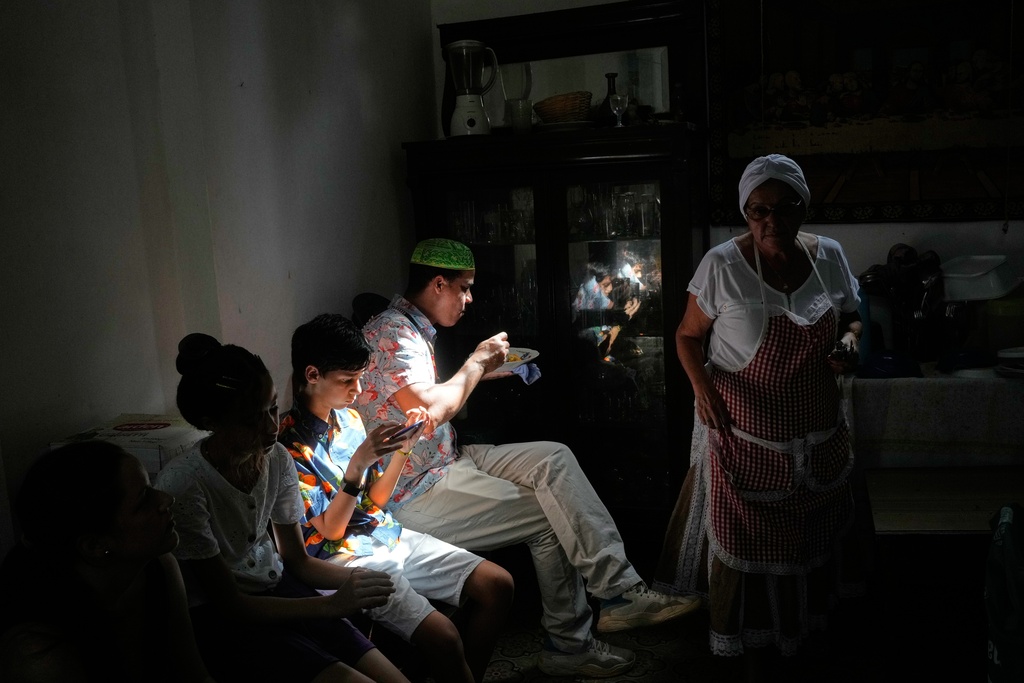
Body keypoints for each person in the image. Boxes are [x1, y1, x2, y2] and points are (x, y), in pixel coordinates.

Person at [355, 237, 700, 679]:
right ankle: (580, 634)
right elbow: (429, 414)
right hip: (413, 487)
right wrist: (477, 363)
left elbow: (430, 401)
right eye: (464, 288)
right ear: (438, 284)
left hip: (449, 457)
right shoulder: (391, 333)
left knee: (553, 459)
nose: (469, 298)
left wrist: (483, 373)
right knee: (552, 514)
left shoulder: (411, 327)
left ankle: (617, 593)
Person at [653, 154, 862, 678]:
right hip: (743, 436)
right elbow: (685, 336)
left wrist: (850, 342)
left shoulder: (829, 256)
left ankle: (805, 631)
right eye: (757, 211)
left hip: (815, 433)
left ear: (802, 206)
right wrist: (701, 389)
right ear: (745, 212)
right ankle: (747, 643)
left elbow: (855, 316)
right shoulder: (722, 265)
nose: (771, 222)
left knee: (812, 536)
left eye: (785, 208)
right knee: (743, 541)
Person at [155, 333, 408, 683]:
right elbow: (229, 603)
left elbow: (297, 560)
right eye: (252, 419)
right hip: (226, 621)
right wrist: (330, 605)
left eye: (273, 408)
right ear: (213, 421)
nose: (272, 427)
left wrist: (361, 579)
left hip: (279, 587)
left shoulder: (275, 460)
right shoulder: (184, 485)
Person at [279, 313, 514, 683]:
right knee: (446, 637)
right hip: (346, 556)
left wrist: (404, 448)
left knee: (498, 585)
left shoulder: (350, 421)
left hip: (385, 533)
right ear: (312, 375)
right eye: (348, 380)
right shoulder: (288, 446)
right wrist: (356, 466)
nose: (357, 390)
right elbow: (331, 530)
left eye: (359, 377)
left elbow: (376, 502)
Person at [0, 441, 213, 683]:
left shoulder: (160, 566)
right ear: (94, 546)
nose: (166, 499)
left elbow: (196, 676)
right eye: (144, 501)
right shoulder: (41, 658)